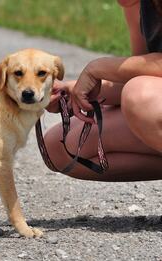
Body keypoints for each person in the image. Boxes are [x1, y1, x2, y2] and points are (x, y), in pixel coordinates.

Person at [44, 0, 162, 181]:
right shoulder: (135, 5)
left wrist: (98, 68)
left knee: (139, 97)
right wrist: (81, 90)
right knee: (58, 147)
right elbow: (144, 74)